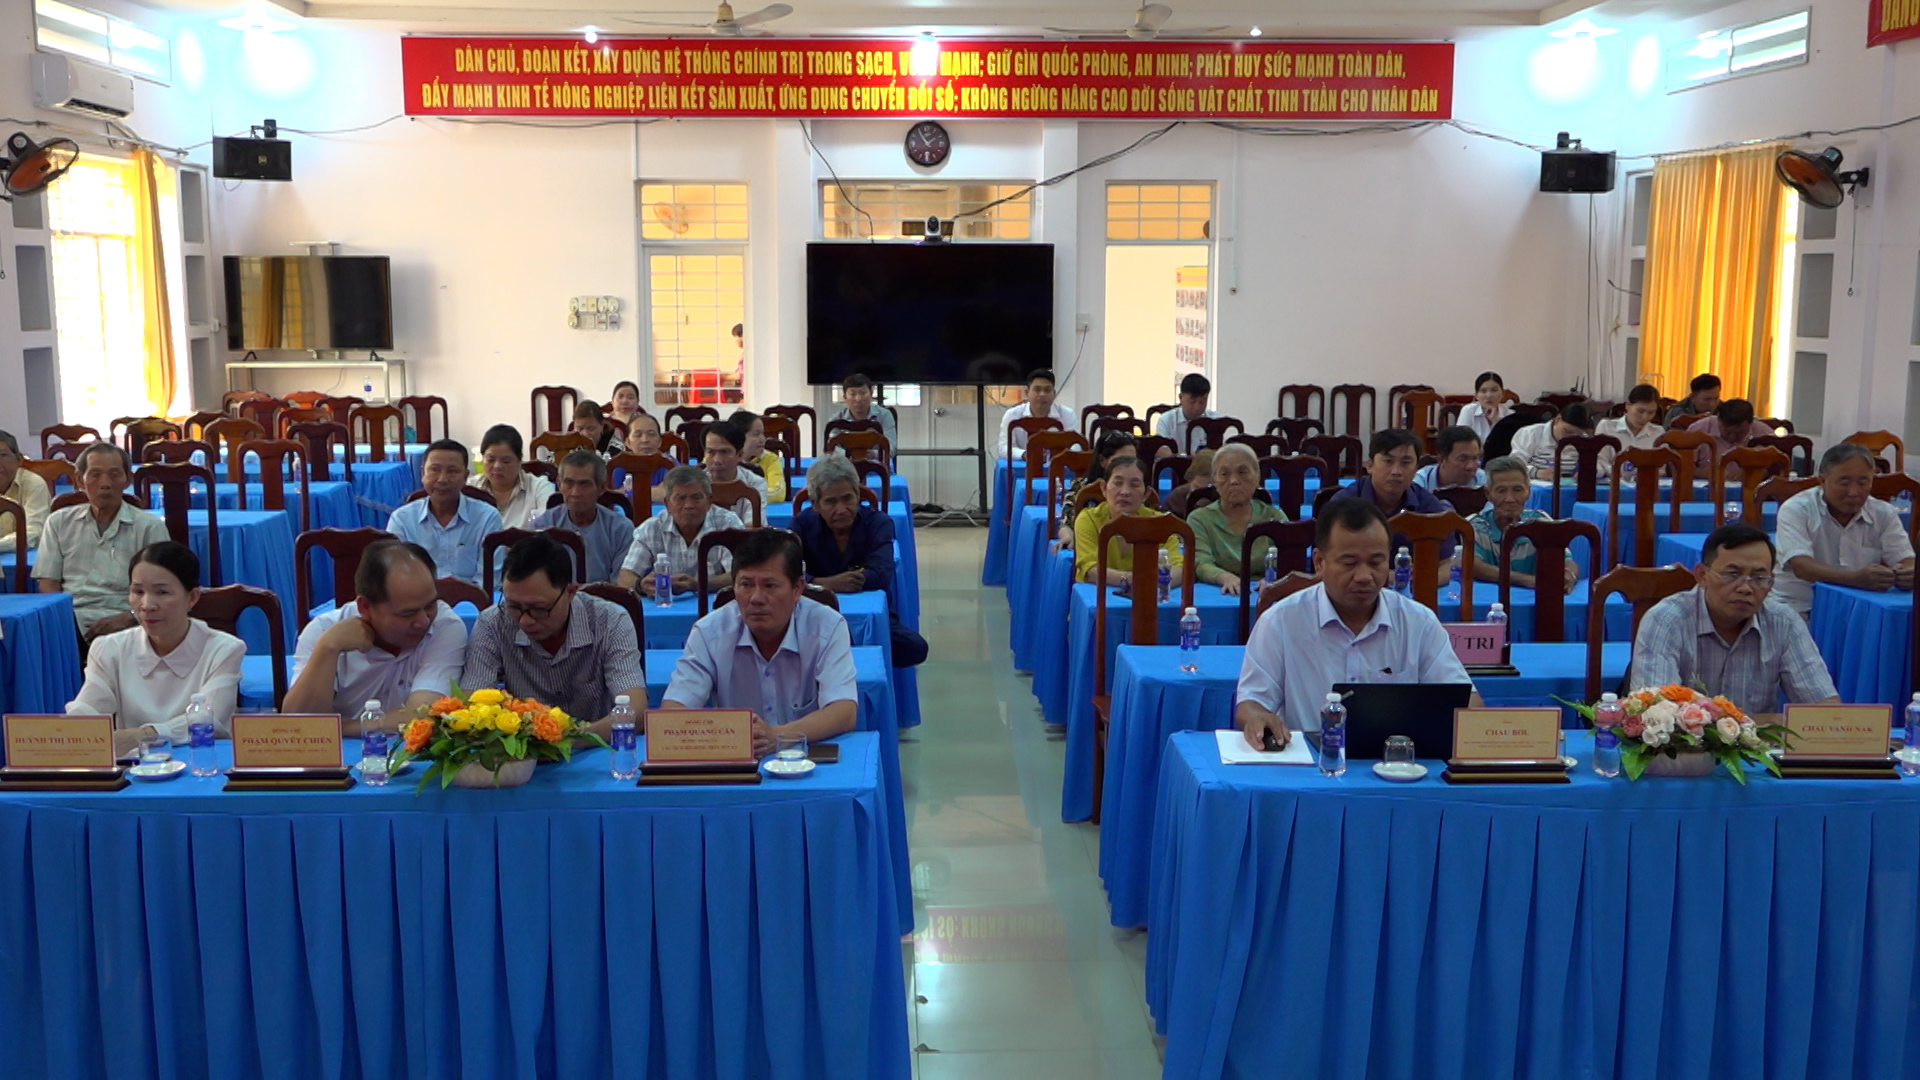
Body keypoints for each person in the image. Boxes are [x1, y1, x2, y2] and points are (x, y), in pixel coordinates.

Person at [1236, 499, 1476, 749]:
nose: (1364, 576)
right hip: (1311, 763)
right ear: (1319, 562)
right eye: (1349, 563)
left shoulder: (1418, 622)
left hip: (1397, 763)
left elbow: (1466, 701)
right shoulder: (1281, 621)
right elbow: (1251, 702)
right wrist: (1258, 717)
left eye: (1376, 562)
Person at [662, 529, 859, 758]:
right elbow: (672, 713)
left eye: (770, 585)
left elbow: (844, 711)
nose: (756, 598)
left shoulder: (827, 626)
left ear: (797, 589)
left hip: (803, 762)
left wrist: (776, 736)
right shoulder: (709, 632)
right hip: (735, 764)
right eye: (746, 585)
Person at [1630, 522, 1838, 715]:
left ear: (1771, 583)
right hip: (1686, 744)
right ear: (1702, 575)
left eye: (1759, 578)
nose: (1745, 588)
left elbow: (1826, 711)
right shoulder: (1665, 621)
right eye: (1732, 574)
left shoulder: (1784, 622)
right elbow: (1656, 713)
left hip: (1758, 743)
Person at [461, 534, 646, 739]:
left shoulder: (609, 620)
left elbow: (635, 711)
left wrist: (566, 738)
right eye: (513, 606)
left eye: (539, 609)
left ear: (570, 592)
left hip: (597, 747)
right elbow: (472, 707)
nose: (525, 621)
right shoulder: (493, 623)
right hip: (525, 753)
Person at [66, 541, 244, 757]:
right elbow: (87, 709)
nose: (147, 605)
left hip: (200, 764)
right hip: (135, 769)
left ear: (192, 598)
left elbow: (209, 719)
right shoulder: (109, 648)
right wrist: (69, 731)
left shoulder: (224, 650)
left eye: (162, 592)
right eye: (138, 591)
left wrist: (145, 735)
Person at [285, 538, 469, 729]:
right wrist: (327, 648)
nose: (423, 621)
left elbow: (423, 714)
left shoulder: (445, 626)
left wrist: (337, 728)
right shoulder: (323, 632)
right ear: (365, 607)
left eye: (430, 605)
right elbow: (298, 725)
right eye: (407, 614)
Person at [791, 456, 929, 667]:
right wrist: (827, 584)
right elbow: (788, 574)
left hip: (872, 616)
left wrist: (853, 580)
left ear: (858, 495)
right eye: (831, 501)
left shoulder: (878, 522)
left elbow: (882, 573)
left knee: (915, 647)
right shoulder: (801, 524)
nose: (841, 509)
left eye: (848, 498)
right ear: (815, 504)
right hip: (812, 615)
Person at [34, 442, 169, 635]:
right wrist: (62, 624)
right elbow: (48, 584)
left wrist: (131, 616)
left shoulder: (149, 527)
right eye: (95, 475)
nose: (105, 483)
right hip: (70, 621)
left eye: (114, 475)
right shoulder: (58, 522)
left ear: (128, 480)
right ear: (79, 480)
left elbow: (163, 588)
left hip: (129, 623)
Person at [1773, 442, 1916, 616]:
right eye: (1844, 483)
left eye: (1863, 483)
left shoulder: (1883, 512)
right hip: (1800, 607)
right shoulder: (1797, 509)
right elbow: (1801, 566)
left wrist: (1908, 573)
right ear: (1822, 480)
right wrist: (1855, 578)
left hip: (1858, 609)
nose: (1854, 492)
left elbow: (1906, 558)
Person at [1330, 428, 1455, 580]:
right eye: (1388, 461)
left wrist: (1415, 580)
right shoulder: (1344, 504)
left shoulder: (1428, 505)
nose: (1396, 471)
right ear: (1370, 465)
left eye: (1406, 463)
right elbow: (1330, 562)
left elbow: (1448, 563)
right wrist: (1393, 577)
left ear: (1416, 469)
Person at [386, 439, 502, 587]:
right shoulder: (401, 520)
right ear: (422, 473)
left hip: (472, 600)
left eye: (452, 471)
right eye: (435, 470)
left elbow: (489, 581)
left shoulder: (487, 518)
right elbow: (395, 577)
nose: (442, 479)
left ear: (466, 477)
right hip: (418, 599)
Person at [616, 465, 743, 597]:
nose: (688, 505)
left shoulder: (728, 525)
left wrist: (699, 585)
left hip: (716, 605)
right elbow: (625, 576)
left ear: (709, 501)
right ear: (667, 504)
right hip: (667, 606)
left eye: (696, 497)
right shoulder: (651, 528)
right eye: (680, 498)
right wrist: (640, 585)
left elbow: (740, 574)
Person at [1189, 443, 1289, 596]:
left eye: (1242, 472)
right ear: (1214, 480)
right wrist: (1224, 577)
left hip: (1264, 592)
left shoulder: (1274, 516)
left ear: (1257, 477)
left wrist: (1274, 578)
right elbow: (1201, 563)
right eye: (1224, 474)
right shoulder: (1199, 520)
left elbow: (1289, 558)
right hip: (1219, 593)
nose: (1234, 480)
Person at [1468, 456, 1577, 593]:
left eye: (1517, 490)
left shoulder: (1541, 521)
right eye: (1501, 490)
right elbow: (1474, 566)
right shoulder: (1476, 526)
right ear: (1488, 494)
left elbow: (1567, 560)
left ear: (1528, 492)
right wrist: (1527, 580)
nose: (1510, 499)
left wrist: (1568, 575)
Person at [1073, 456, 1183, 585]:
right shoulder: (1089, 519)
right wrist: (1135, 581)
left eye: (1134, 485)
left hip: (1150, 591)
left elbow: (1179, 567)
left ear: (1146, 494)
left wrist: (1157, 584)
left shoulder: (1160, 522)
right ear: (1103, 488)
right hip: (1096, 593)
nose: (1125, 492)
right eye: (1118, 483)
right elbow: (1090, 569)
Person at [530, 449, 635, 584]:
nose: (575, 493)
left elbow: (621, 586)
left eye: (584, 484)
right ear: (559, 484)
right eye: (569, 483)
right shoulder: (543, 526)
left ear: (602, 488)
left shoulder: (620, 530)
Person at [1057, 430, 1138, 548]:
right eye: (1120, 461)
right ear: (1102, 461)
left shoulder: (1139, 490)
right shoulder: (1080, 488)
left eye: (1132, 460)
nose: (1128, 467)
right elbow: (1065, 523)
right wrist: (1068, 536)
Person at [477, 424, 554, 530]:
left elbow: (549, 527)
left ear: (519, 461)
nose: (497, 466)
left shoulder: (539, 488)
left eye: (506, 461)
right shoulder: (468, 488)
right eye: (490, 460)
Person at [997, 368, 1075, 459]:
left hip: (1057, 464)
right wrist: (1024, 454)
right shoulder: (1012, 415)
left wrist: (1059, 455)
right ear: (1027, 393)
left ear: (1054, 393)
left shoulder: (1067, 414)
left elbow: (1075, 445)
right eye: (1037, 390)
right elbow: (1003, 448)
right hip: (1022, 466)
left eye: (1047, 390)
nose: (1042, 394)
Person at [1509, 402, 1599, 480]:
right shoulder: (1530, 433)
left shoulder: (1584, 439)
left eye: (1577, 435)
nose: (1571, 437)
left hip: (1570, 486)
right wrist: (1537, 473)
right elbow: (1514, 465)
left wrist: (1586, 472)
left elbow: (1597, 465)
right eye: (1567, 431)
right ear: (1558, 419)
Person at [703, 420, 769, 520]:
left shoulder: (755, 484)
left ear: (740, 455)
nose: (717, 460)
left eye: (724, 452)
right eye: (711, 452)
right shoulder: (693, 484)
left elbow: (753, 526)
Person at [0, 428, 50, 554]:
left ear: (19, 459)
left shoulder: (34, 484)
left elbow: (33, 533)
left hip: (26, 558)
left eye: (3, 455)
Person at [728, 408, 787, 503]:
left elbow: (778, 493)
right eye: (756, 434)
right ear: (738, 437)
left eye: (763, 433)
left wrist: (740, 497)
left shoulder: (770, 459)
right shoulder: (717, 458)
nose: (763, 439)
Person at [1153, 373, 1219, 457]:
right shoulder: (1166, 420)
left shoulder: (1215, 420)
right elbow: (1161, 450)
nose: (1197, 407)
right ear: (1180, 398)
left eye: (1202, 402)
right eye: (1192, 402)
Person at [828, 373, 898, 449]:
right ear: (845, 397)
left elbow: (891, 446)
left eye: (863, 393)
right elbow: (832, 448)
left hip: (876, 456)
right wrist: (852, 454)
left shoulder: (884, 415)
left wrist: (872, 454)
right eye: (852, 394)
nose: (858, 399)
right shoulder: (836, 420)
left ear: (871, 394)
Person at [1595, 383, 1665, 457]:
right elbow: (1600, 461)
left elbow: (1662, 462)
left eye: (1651, 412)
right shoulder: (1606, 427)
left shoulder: (1658, 433)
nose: (1645, 417)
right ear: (1628, 405)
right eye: (1640, 411)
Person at [1691, 398, 1756, 477]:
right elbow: (1682, 467)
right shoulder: (1698, 430)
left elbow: (1769, 470)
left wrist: (1753, 472)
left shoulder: (1763, 433)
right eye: (1727, 432)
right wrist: (1701, 472)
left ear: (1751, 423)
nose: (1732, 437)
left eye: (1739, 433)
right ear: (1719, 420)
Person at [1412, 426, 1487, 490]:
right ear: (1441, 460)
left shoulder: (1484, 481)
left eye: (1475, 458)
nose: (1470, 466)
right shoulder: (1417, 484)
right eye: (1463, 459)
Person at [1461, 371, 1511, 443]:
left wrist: (1497, 423)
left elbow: (1509, 444)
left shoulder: (1509, 415)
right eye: (1483, 391)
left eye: (1494, 390)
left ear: (1502, 393)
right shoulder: (1468, 411)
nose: (1489, 395)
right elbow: (1460, 441)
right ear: (1476, 395)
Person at [1166, 448, 1216, 517]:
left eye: (1208, 491)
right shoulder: (1178, 497)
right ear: (1190, 480)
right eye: (1197, 488)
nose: (1202, 495)